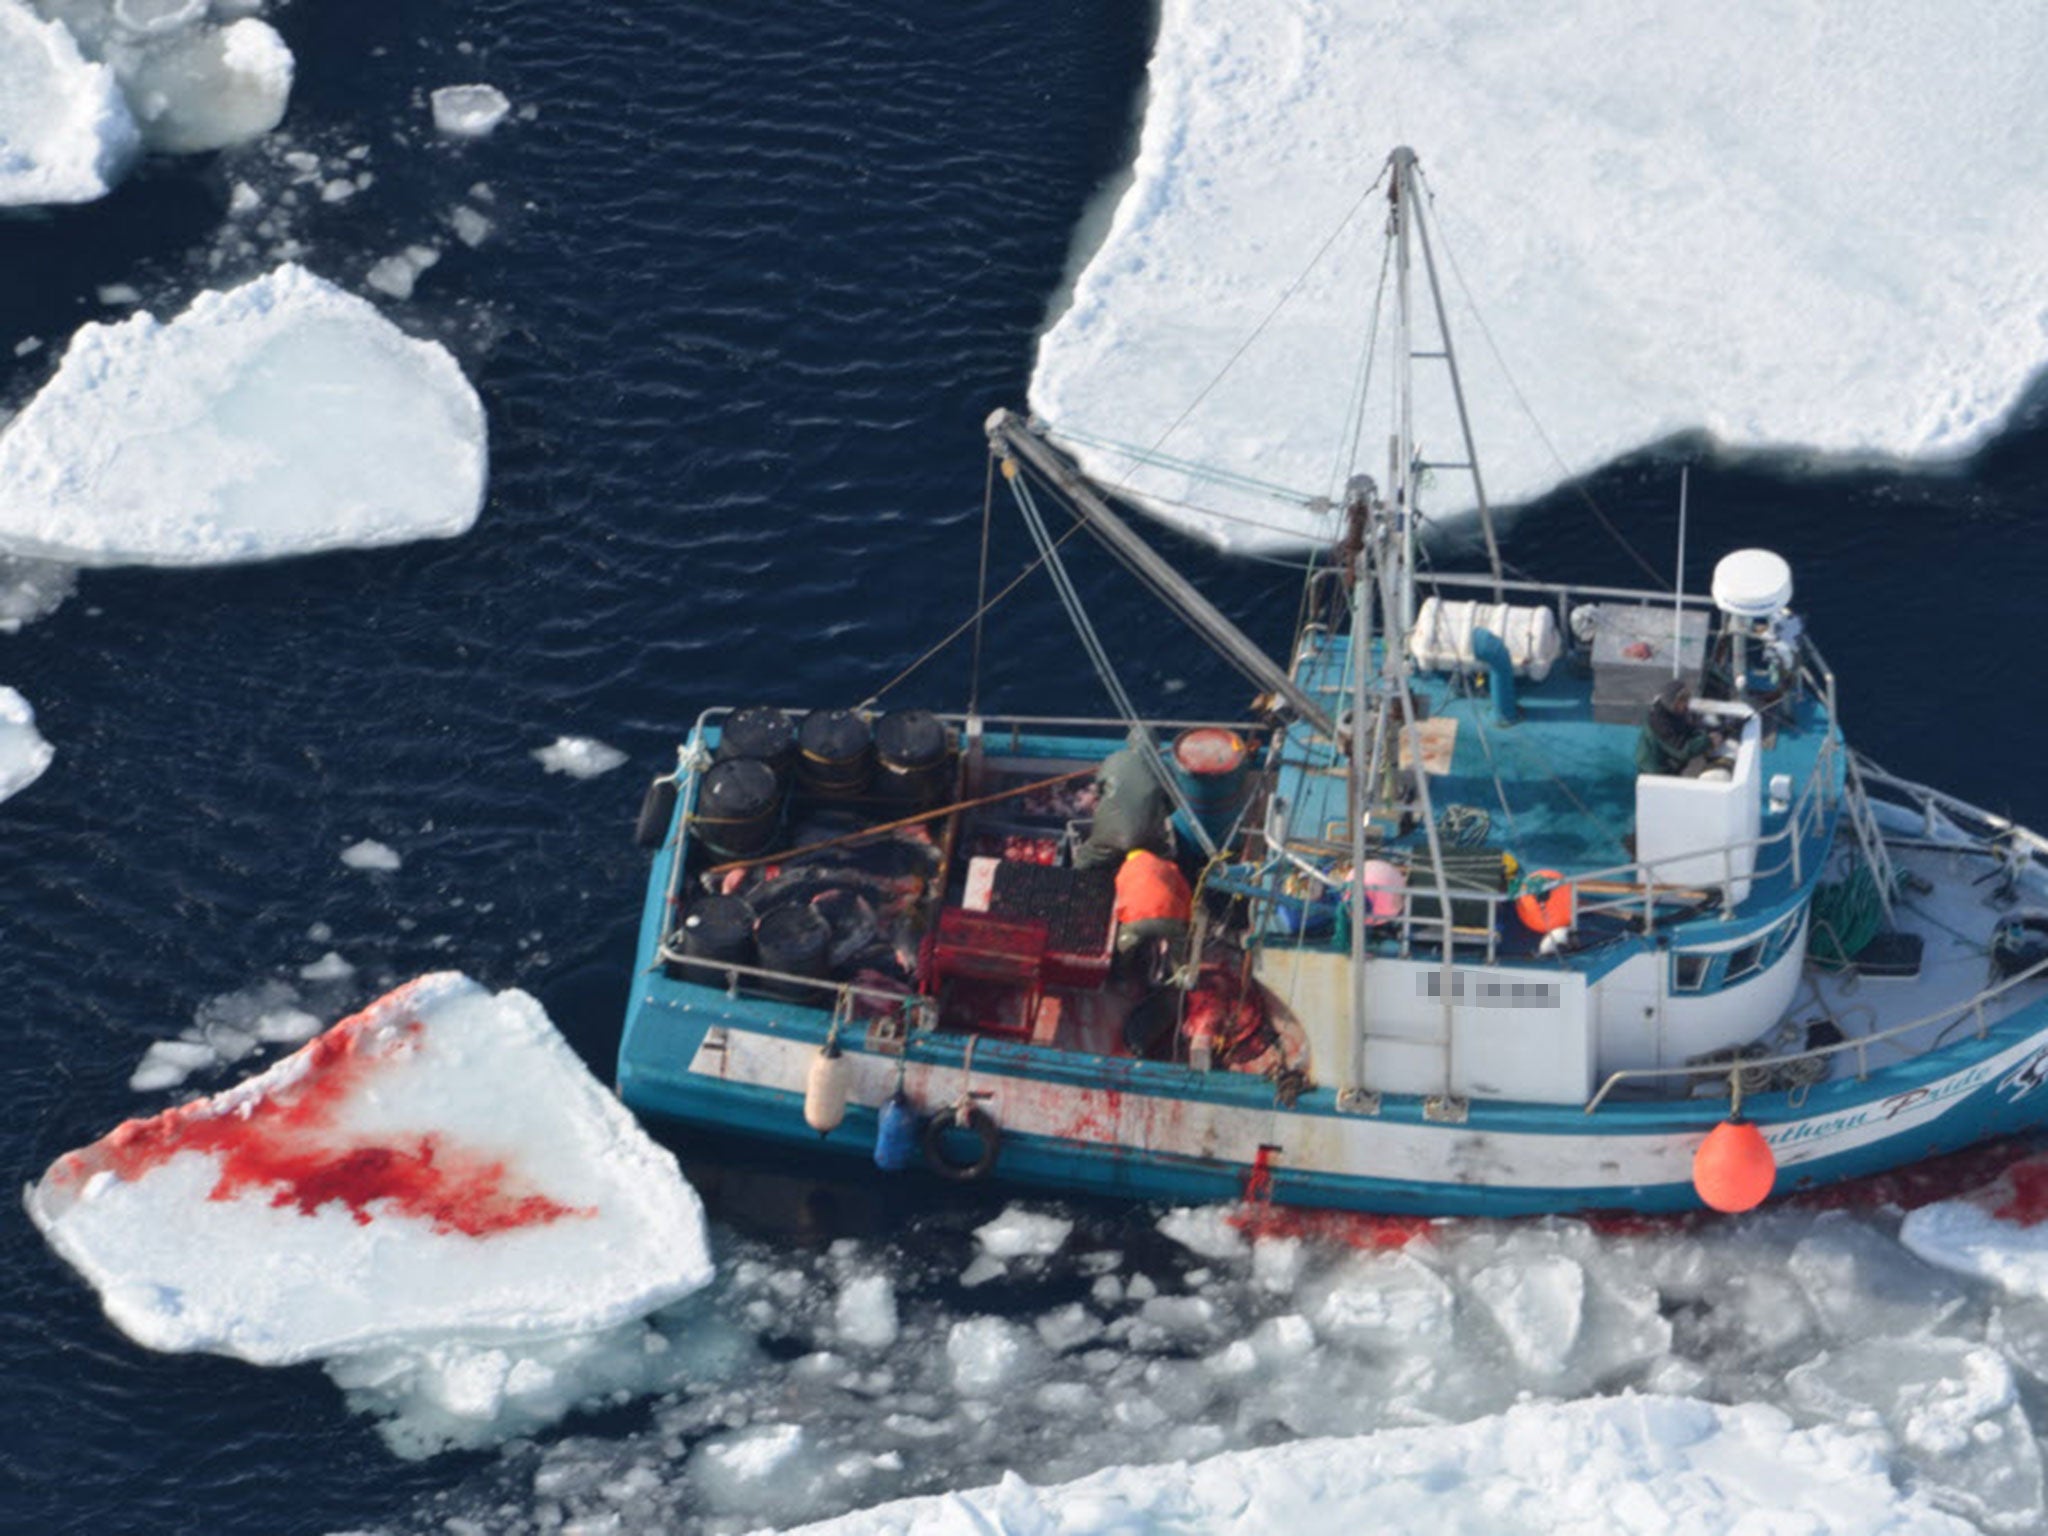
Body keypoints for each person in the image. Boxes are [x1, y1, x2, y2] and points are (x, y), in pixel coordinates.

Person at [1074, 734, 1173, 870]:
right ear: (1156, 746)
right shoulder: (1166, 768)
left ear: (1130, 742)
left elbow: (1100, 788)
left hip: (1109, 833)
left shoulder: (1114, 758)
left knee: (1086, 856)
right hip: (1146, 839)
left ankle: (1074, 877)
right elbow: (1172, 804)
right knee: (1161, 856)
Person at [1113, 847, 1192, 973]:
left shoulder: (1125, 870)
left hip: (1136, 920)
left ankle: (1121, 973)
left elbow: (1120, 898)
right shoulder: (1169, 866)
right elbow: (1186, 893)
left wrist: (1123, 920)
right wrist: (1186, 921)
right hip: (1171, 916)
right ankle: (1179, 977)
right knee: (1179, 944)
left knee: (1126, 946)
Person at [1634, 680, 1720, 776]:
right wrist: (1708, 741)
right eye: (1683, 700)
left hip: (1669, 764)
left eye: (1687, 699)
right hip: (1655, 771)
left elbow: (1688, 729)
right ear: (1673, 702)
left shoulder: (1675, 712)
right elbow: (1682, 750)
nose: (1687, 704)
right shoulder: (1659, 722)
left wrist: (1705, 733)